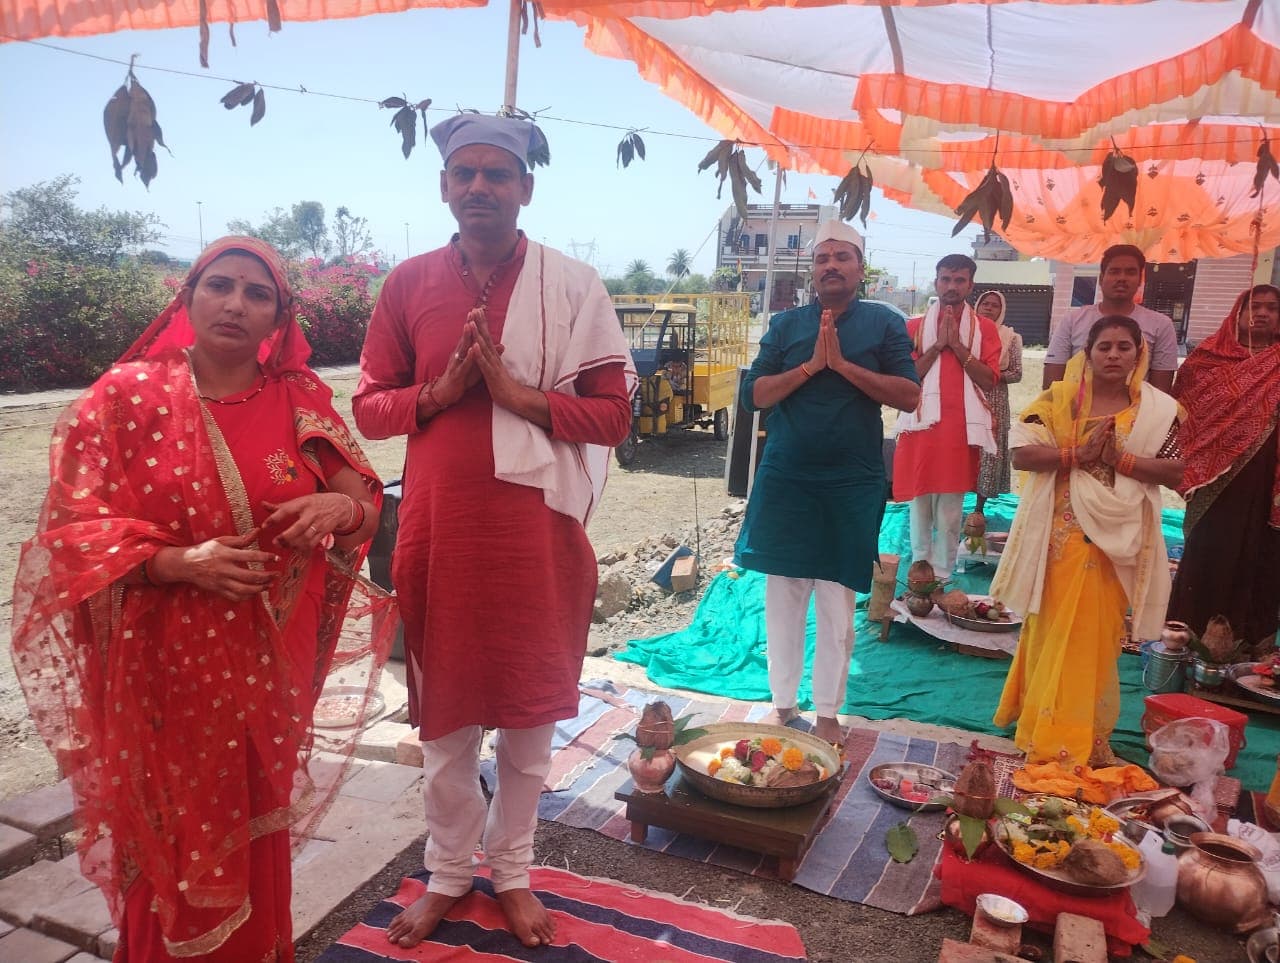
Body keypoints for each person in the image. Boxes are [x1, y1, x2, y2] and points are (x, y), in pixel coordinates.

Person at [10, 236, 389, 961]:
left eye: (258, 293)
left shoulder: (298, 401)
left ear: (278, 317)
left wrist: (337, 513)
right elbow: (70, 538)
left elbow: (363, 503)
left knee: (255, 828)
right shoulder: (125, 399)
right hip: (167, 675)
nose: (236, 303)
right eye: (221, 285)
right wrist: (174, 562)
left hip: (269, 669)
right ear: (188, 298)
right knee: (174, 844)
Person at [352, 113, 635, 950]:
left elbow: (615, 416)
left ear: (526, 189)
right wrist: (436, 396)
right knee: (444, 721)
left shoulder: (573, 284)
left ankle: (510, 868)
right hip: (440, 528)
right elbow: (370, 408)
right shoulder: (406, 285)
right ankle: (447, 871)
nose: (480, 186)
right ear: (444, 186)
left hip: (536, 531)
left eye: (497, 174)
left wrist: (521, 398)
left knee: (527, 714)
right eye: (465, 174)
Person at [733, 220, 920, 746]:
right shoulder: (786, 325)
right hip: (787, 477)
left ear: (861, 269)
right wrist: (814, 366)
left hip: (851, 482)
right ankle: (783, 705)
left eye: (842, 257)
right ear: (813, 271)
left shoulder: (884, 324)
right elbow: (756, 397)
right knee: (784, 595)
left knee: (837, 601)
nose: (831, 266)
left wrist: (843, 365)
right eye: (822, 258)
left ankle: (829, 714)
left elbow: (908, 395)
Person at [992, 316, 1183, 767]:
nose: (1113, 355)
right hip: (1062, 538)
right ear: (1088, 353)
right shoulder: (1060, 400)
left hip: (1120, 541)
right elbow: (1020, 454)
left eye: (1123, 347)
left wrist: (1124, 461)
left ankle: (1081, 732)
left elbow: (1178, 470)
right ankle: (1049, 731)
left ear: (1140, 354)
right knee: (1056, 632)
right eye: (1104, 347)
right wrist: (1077, 455)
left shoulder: (1157, 410)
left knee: (1094, 641)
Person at [1167, 285, 1280, 653]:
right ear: (1238, 312)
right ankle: (1188, 634)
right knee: (1211, 548)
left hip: (1268, 476)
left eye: (1272, 308)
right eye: (1254, 306)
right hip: (1215, 480)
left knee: (1261, 551)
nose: (1262, 314)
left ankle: (1248, 642)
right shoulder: (1207, 360)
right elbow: (1184, 411)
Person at [892, 254, 1001, 580]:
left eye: (959, 280)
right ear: (936, 281)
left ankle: (942, 573)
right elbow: (908, 376)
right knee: (920, 502)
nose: (952, 286)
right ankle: (919, 570)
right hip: (920, 424)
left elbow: (988, 379)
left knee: (951, 509)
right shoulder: (913, 327)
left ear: (970, 284)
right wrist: (940, 345)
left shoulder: (984, 330)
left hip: (959, 428)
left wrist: (958, 346)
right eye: (945, 279)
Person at [1043, 244, 1179, 392]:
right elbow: (1052, 386)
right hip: (1076, 411)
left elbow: (1161, 391)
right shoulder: (1072, 320)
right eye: (1114, 271)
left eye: (1130, 272)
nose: (1122, 278)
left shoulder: (1161, 325)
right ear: (1101, 279)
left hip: (1139, 412)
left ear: (1140, 280)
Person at [973, 290, 1024, 514]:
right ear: (977, 305)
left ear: (1001, 310)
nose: (989, 308)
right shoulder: (967, 332)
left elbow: (1016, 373)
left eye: (995, 305)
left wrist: (989, 374)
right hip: (968, 396)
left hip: (995, 400)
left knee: (988, 451)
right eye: (985, 303)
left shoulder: (1011, 337)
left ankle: (978, 509)